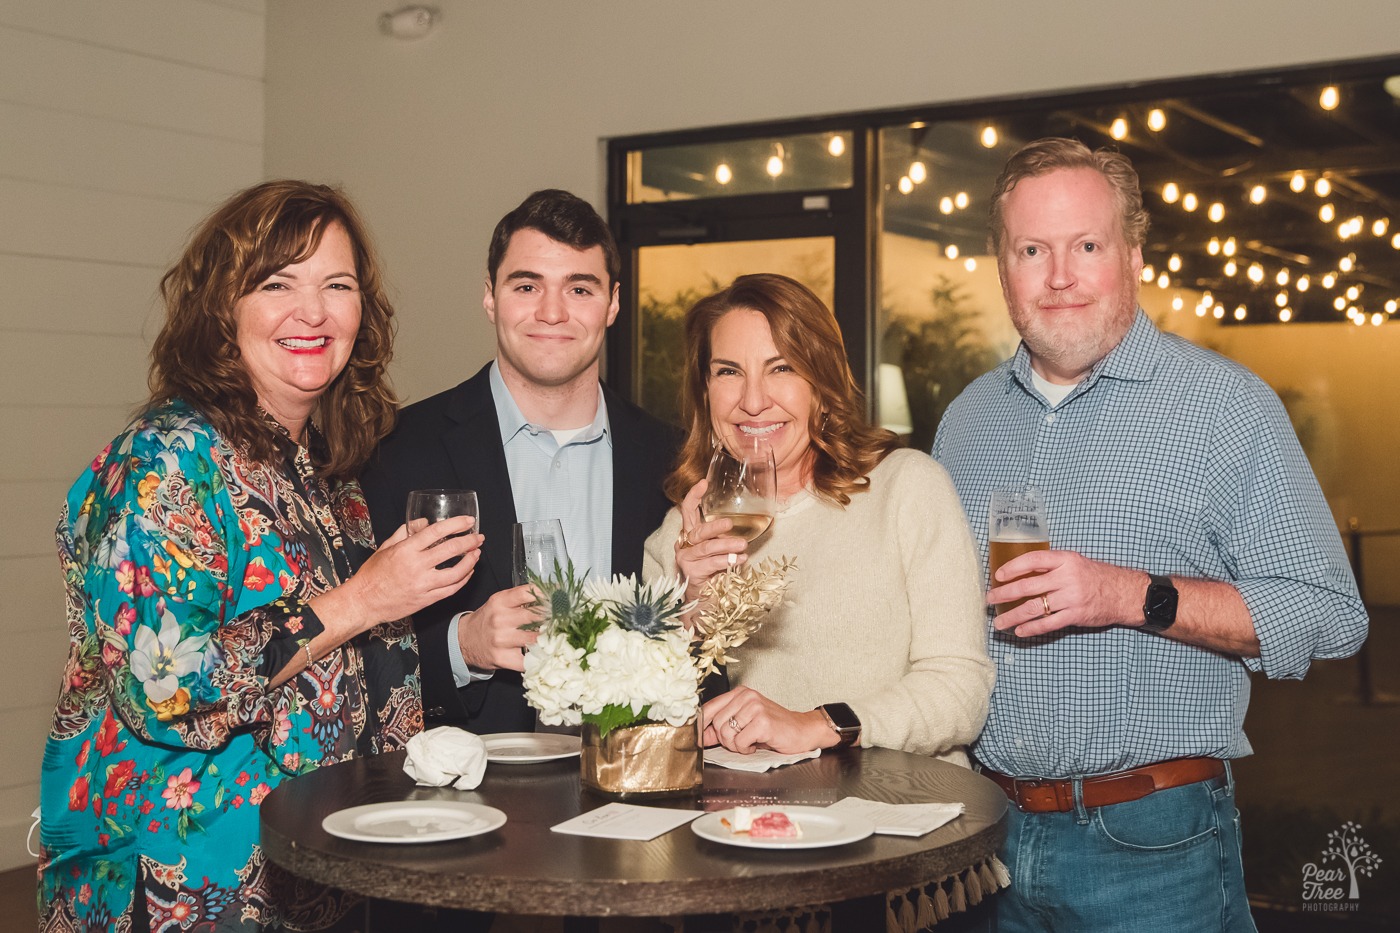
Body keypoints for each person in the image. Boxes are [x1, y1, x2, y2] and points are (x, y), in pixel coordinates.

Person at [932, 138, 1369, 931]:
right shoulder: (966, 420)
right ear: (1003, 266)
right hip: (982, 842)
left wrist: (1135, 595)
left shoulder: (1225, 408)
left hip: (1151, 846)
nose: (1058, 275)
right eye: (1032, 249)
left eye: (1086, 246)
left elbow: (1331, 614)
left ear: (1132, 256)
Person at [36, 180, 481, 932]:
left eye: (336, 285)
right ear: (222, 309)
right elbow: (163, 693)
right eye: (278, 283)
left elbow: (361, 674)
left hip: (316, 876)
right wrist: (361, 600)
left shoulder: (325, 471)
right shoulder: (168, 462)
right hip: (181, 889)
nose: (312, 311)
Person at [361, 189, 680, 734]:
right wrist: (461, 647)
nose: (551, 312)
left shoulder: (672, 460)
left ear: (614, 303)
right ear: (490, 297)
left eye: (579, 288)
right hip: (466, 796)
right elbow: (348, 660)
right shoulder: (395, 450)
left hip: (636, 785)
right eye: (527, 285)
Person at [643, 273, 993, 761]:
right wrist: (690, 617)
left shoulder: (907, 488)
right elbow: (639, 728)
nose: (753, 400)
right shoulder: (682, 538)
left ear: (823, 387)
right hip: (761, 818)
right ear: (705, 391)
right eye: (728, 372)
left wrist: (819, 724)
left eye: (781, 368)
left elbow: (960, 693)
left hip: (902, 812)